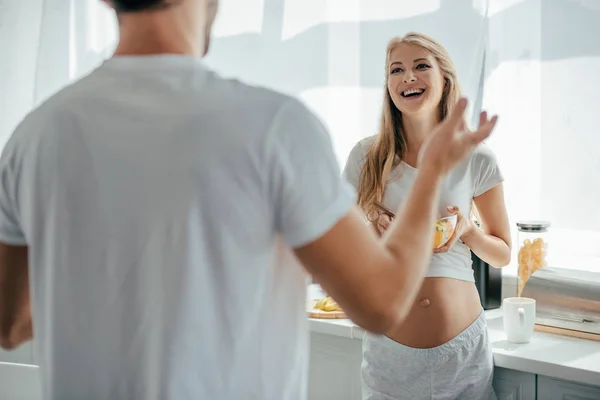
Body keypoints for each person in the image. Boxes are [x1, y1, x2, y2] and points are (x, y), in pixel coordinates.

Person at [0, 2, 498, 399]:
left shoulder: (34, 136)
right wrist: (431, 170)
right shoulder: (274, 128)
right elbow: (381, 303)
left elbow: (11, 322)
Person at [343, 32, 511, 400]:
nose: (408, 77)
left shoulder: (476, 157)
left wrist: (468, 229)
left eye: (421, 66)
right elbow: (342, 252)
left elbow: (502, 252)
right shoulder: (366, 157)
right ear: (388, 85)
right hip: (391, 357)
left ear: (444, 77)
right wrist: (371, 231)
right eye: (396, 70)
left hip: (462, 354)